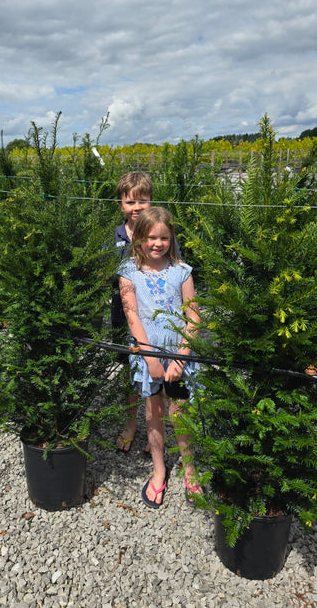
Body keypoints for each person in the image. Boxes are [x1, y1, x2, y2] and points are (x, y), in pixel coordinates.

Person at [117, 206, 202, 508]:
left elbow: (193, 316)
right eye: (151, 237)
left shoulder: (182, 272)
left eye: (164, 238)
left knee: (180, 413)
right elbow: (132, 316)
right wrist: (150, 358)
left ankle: (190, 469)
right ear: (139, 238)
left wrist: (181, 357)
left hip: (178, 355)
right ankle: (159, 469)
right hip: (147, 358)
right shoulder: (128, 273)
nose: (157, 243)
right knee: (153, 414)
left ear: (171, 239)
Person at [112, 171, 153, 454]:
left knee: (154, 370)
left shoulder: (160, 232)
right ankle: (131, 424)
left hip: (153, 315)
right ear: (121, 205)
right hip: (122, 315)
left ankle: (155, 429)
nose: (136, 207)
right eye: (130, 202)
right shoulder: (116, 236)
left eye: (143, 200)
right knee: (128, 371)